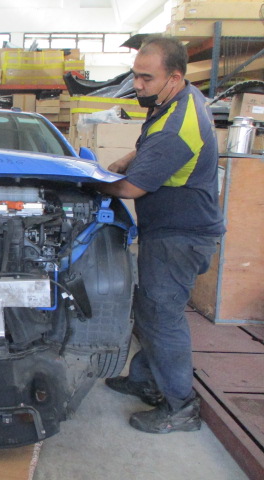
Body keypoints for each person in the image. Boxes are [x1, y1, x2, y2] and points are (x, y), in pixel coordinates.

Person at [96, 35, 225, 434]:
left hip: (180, 236)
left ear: (174, 77)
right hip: (173, 230)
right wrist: (126, 158)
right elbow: (151, 146)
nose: (137, 85)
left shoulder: (177, 127)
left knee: (163, 316)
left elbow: (132, 188)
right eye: (135, 75)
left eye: (146, 78)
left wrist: (92, 183)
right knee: (151, 310)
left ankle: (181, 406)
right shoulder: (179, 100)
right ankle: (145, 380)